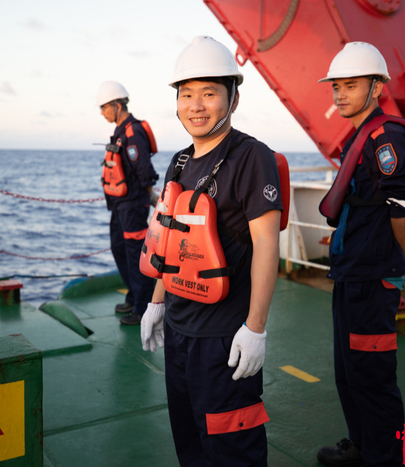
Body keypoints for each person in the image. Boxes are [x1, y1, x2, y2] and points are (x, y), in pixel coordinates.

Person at [140, 36, 283, 466]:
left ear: (233, 98)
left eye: (209, 93)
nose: (196, 106)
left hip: (225, 338)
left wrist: (255, 328)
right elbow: (169, 240)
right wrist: (157, 303)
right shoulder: (180, 162)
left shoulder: (251, 157)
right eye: (186, 95)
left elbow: (267, 244)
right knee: (190, 443)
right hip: (179, 329)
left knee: (232, 450)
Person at [315, 42, 405, 467]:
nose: (340, 94)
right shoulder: (361, 134)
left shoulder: (386, 137)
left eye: (351, 85)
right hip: (351, 271)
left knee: (374, 376)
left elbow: (403, 207)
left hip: (372, 276)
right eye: (336, 86)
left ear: (377, 87)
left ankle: (386, 459)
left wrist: (400, 262)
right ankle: (362, 446)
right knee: (349, 371)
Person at [96, 81, 158, 325]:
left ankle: (143, 308)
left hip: (132, 204)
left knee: (135, 254)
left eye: (104, 107)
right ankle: (133, 296)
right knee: (118, 248)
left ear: (117, 105)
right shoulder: (121, 131)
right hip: (120, 205)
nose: (102, 113)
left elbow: (144, 169)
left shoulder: (132, 132)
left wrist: (148, 196)